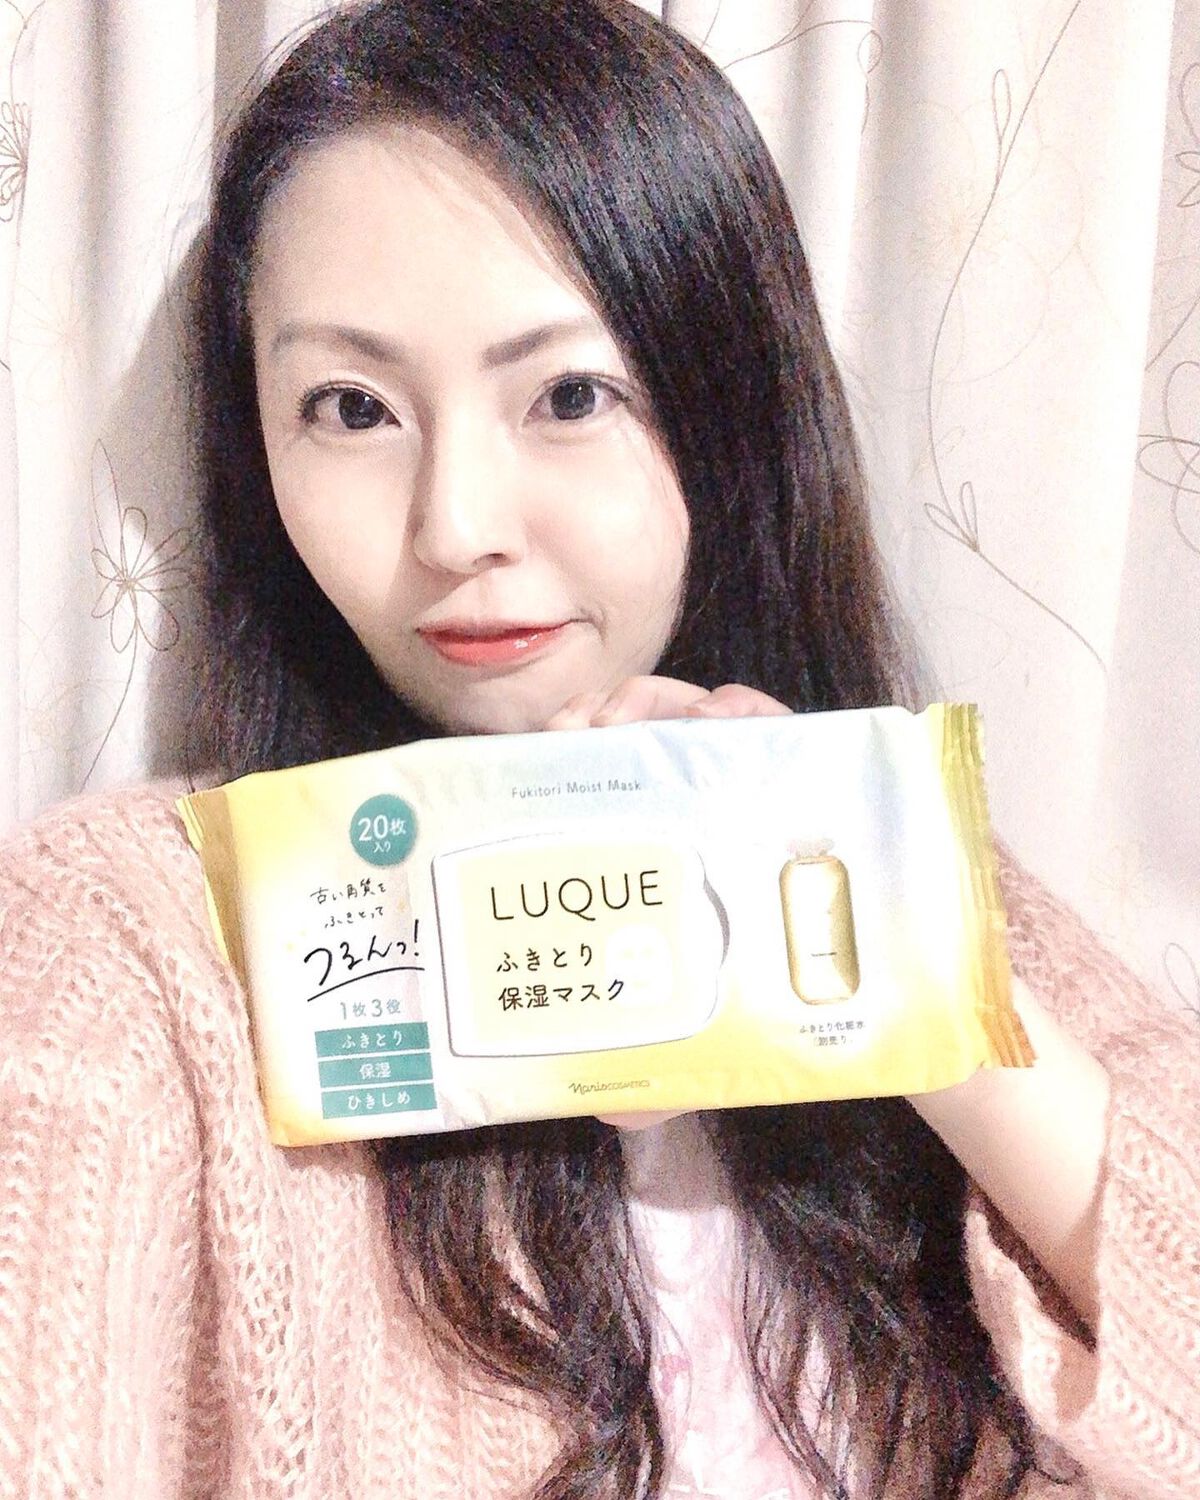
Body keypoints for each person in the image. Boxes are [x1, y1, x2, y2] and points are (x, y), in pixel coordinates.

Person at [1, 2, 1196, 1496]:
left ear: (732, 418)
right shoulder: (128, 944)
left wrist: (907, 965)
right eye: (352, 409)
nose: (456, 527)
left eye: (569, 396)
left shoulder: (933, 892)